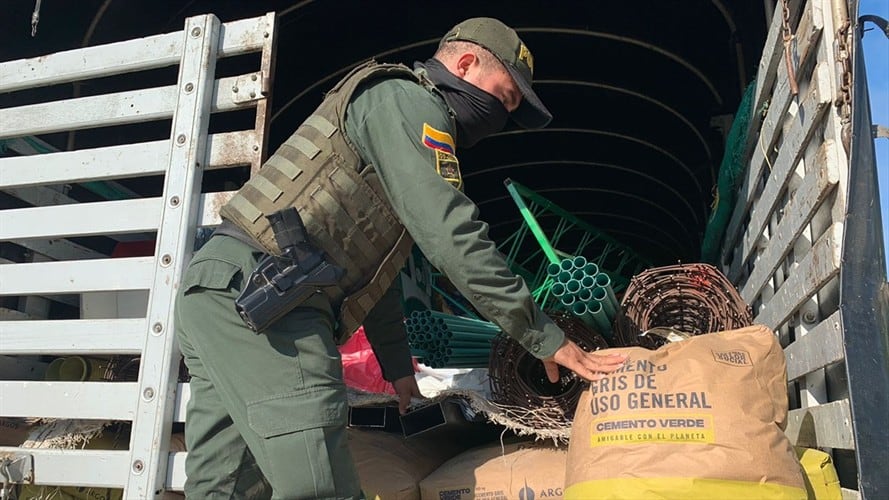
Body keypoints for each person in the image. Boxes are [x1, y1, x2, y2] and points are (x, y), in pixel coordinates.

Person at [174, 17, 628, 499]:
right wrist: (544, 336)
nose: (501, 116)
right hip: (271, 299)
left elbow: (373, 273)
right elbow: (452, 233)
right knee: (320, 487)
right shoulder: (411, 101)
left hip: (219, 291)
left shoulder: (393, 125)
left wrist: (398, 372)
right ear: (467, 63)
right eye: (503, 97)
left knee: (224, 485)